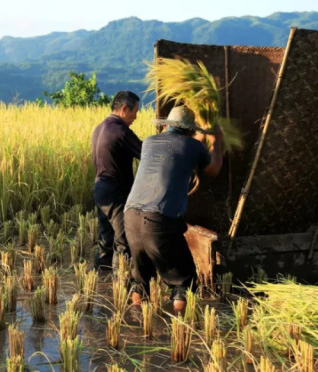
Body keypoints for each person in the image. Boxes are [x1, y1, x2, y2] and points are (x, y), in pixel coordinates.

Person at [124, 105, 223, 314]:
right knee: (183, 280)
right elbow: (212, 170)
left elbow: (180, 150)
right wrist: (217, 142)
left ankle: (136, 323)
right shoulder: (193, 147)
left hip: (131, 216)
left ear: (167, 125)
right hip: (159, 220)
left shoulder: (150, 142)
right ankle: (178, 327)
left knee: (140, 278)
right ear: (189, 130)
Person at [91, 91, 142, 270]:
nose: (136, 116)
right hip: (116, 191)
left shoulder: (99, 128)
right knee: (124, 240)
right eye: (135, 111)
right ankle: (120, 283)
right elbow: (145, 153)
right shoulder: (120, 131)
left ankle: (101, 279)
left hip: (100, 189)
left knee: (106, 238)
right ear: (124, 108)